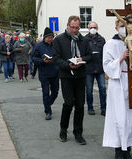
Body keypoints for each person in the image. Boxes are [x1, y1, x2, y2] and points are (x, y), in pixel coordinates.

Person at [102, 19, 132, 159]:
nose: (124, 29)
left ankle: (128, 151)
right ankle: (118, 152)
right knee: (118, 118)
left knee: (131, 119)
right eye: (122, 26)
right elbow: (107, 67)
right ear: (116, 27)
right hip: (118, 84)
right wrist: (121, 58)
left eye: (126, 26)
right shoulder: (109, 44)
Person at [53, 15, 92, 145]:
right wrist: (67, 64)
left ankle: (78, 133)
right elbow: (56, 58)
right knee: (68, 103)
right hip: (66, 75)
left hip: (80, 75)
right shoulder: (59, 39)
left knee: (80, 105)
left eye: (77, 28)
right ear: (68, 26)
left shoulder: (84, 40)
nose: (75, 30)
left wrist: (82, 60)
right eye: (73, 27)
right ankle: (63, 129)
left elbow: (90, 55)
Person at [32, 27, 60, 120]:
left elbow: (59, 56)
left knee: (55, 92)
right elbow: (33, 58)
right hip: (44, 73)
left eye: (52, 37)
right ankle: (48, 111)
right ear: (45, 37)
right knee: (45, 92)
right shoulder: (38, 46)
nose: (50, 39)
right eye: (49, 37)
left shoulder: (55, 45)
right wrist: (42, 61)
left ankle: (48, 103)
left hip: (55, 72)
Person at [84, 21, 106, 116]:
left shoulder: (102, 39)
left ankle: (104, 108)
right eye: (91, 27)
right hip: (89, 68)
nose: (93, 29)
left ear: (97, 28)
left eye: (94, 27)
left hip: (100, 68)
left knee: (102, 88)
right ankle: (90, 107)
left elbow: (105, 53)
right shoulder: (84, 39)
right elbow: (82, 53)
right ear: (88, 29)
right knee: (89, 90)